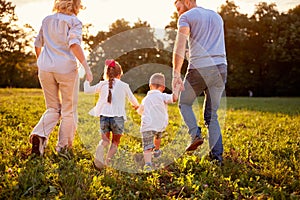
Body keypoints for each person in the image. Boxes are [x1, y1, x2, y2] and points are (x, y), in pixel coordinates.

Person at [30, 0, 93, 156]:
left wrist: (41, 62)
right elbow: (74, 44)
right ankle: (63, 148)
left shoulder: (47, 20)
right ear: (76, 5)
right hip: (66, 69)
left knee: (52, 108)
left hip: (45, 68)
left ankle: (39, 135)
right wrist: (86, 67)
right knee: (68, 110)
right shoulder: (74, 21)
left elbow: (37, 43)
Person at [172, 0, 227, 165]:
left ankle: (195, 134)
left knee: (185, 103)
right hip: (220, 68)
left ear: (187, 2)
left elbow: (179, 46)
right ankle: (217, 159)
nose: (178, 12)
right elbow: (209, 45)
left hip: (199, 69)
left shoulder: (186, 17)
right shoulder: (217, 17)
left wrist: (176, 73)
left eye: (178, 7)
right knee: (212, 115)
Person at [84, 59, 139, 170]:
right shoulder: (124, 85)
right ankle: (107, 161)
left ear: (107, 73)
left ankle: (100, 147)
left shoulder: (102, 84)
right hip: (118, 118)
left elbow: (87, 90)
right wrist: (136, 106)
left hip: (104, 116)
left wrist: (86, 81)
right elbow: (133, 100)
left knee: (105, 140)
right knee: (115, 142)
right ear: (119, 74)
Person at [138, 73, 179, 171]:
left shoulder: (145, 99)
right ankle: (156, 150)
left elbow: (140, 111)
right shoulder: (163, 96)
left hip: (147, 126)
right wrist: (176, 89)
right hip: (159, 124)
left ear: (150, 86)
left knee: (147, 147)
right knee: (157, 137)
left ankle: (148, 164)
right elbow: (174, 98)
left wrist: (140, 110)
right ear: (163, 87)